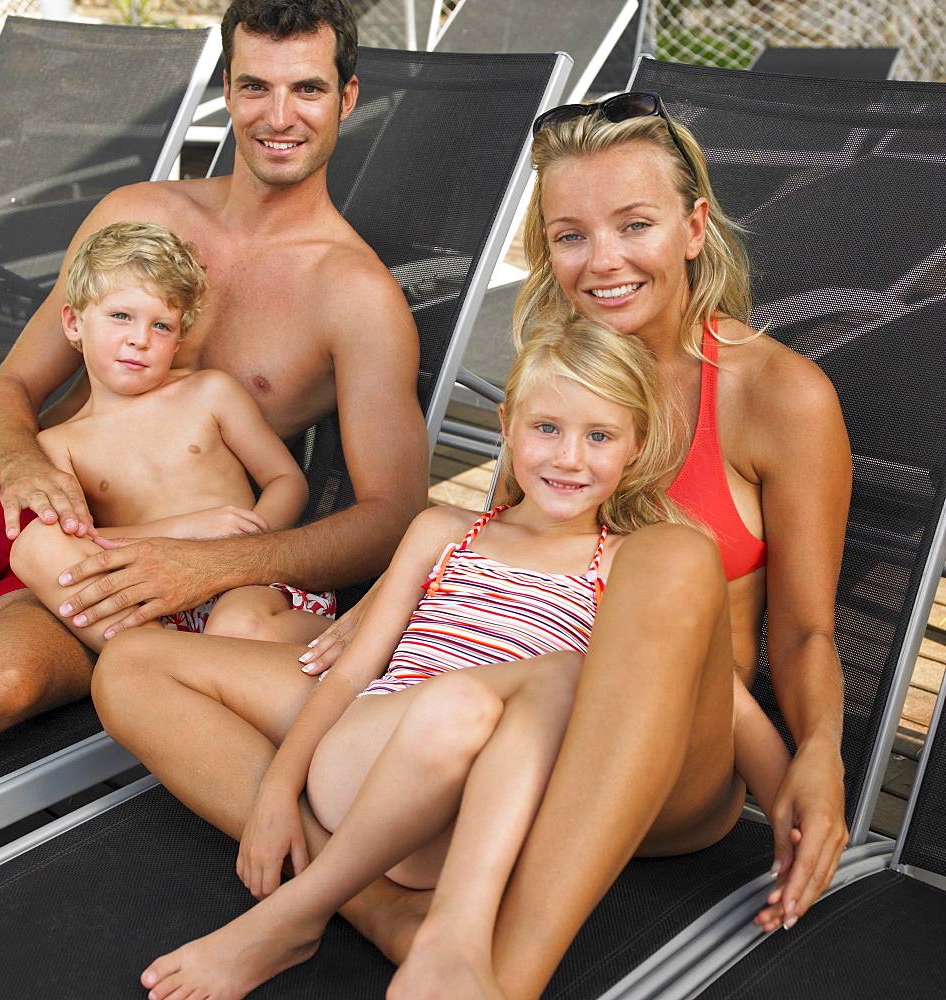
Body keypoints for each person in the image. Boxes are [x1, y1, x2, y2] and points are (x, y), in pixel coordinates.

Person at [301, 93, 853, 993]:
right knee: (170, 671)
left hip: (664, 761)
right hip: (512, 714)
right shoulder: (562, 378)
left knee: (673, 555)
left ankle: (500, 979)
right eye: (569, 236)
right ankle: (382, 911)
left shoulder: (777, 396)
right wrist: (383, 613)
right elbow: (505, 547)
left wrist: (821, 752)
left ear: (692, 227)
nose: (601, 263)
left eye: (633, 224)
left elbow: (804, 632)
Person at [90, 315, 793, 1000]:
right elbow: (356, 670)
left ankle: (371, 917)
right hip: (363, 765)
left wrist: (794, 811)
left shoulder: (626, 566)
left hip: (464, 822)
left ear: (635, 447)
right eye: (546, 428)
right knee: (130, 663)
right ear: (508, 427)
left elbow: (727, 706)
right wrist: (278, 785)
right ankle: (388, 924)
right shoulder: (444, 532)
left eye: (599, 436)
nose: (569, 457)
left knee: (529, 693)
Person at [0, 0, 428, 753]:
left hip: (133, 569)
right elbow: (9, 387)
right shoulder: (136, 213)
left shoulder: (355, 297)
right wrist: (20, 468)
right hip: (15, 487)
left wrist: (209, 564)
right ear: (227, 90)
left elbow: (392, 513)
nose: (279, 115)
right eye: (255, 87)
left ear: (349, 96)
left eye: (307, 88)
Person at [10, 221, 342, 653]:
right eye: (121, 316)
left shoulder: (209, 393)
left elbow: (286, 480)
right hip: (154, 603)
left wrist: (242, 548)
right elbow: (84, 540)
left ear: (179, 338)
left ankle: (359, 645)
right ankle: (160, 660)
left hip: (247, 580)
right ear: (74, 323)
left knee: (240, 627)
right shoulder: (59, 445)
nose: (140, 339)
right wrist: (188, 529)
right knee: (37, 546)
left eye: (162, 326)